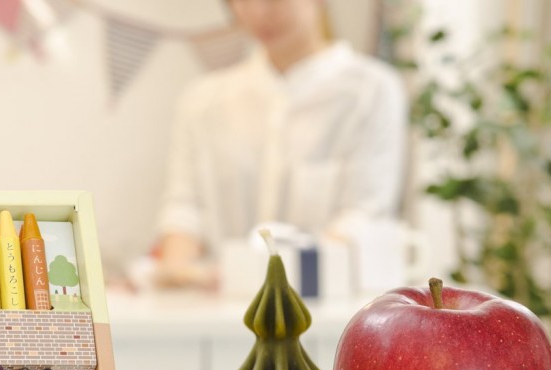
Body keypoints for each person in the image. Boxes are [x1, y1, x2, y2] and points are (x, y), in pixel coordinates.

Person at [151, 0, 407, 288]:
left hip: (324, 304)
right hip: (221, 302)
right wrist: (177, 270)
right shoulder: (203, 100)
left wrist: (267, 274)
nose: (259, 12)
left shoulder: (370, 91)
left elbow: (364, 214)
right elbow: (185, 207)